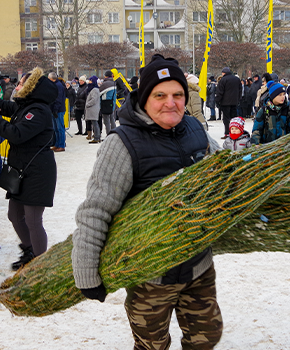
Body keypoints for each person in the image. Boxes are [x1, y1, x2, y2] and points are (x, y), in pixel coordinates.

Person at [72, 54, 223, 349]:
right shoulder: (122, 143)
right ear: (144, 98)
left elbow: (222, 171)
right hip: (150, 275)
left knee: (207, 337)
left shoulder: (194, 129)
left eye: (178, 94)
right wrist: (87, 272)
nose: (171, 103)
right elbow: (96, 210)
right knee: (151, 344)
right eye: (160, 95)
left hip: (198, 266)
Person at [0, 68, 58, 270]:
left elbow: (17, 134)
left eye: (21, 84)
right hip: (23, 170)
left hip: (38, 172)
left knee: (32, 219)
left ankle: (40, 264)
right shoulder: (25, 107)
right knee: (14, 215)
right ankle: (29, 251)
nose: (17, 86)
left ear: (31, 89)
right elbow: (1, 105)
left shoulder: (38, 111)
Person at [215, 66, 242, 138]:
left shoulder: (223, 80)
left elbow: (220, 92)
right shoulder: (237, 79)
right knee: (234, 118)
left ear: (223, 73)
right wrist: (238, 99)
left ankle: (227, 133)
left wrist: (217, 101)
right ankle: (236, 132)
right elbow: (240, 90)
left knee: (226, 119)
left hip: (225, 102)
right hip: (234, 102)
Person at [48, 72, 67, 152]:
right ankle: (57, 144)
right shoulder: (55, 85)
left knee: (60, 128)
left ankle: (61, 145)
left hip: (58, 110)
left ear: (52, 79)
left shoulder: (58, 86)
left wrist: (55, 109)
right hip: (54, 109)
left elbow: (58, 99)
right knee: (55, 128)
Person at [84, 75, 101, 143]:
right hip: (92, 109)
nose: (89, 82)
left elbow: (94, 99)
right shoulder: (93, 89)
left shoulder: (95, 90)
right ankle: (97, 136)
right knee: (94, 123)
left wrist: (87, 104)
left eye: (90, 81)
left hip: (93, 109)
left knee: (95, 123)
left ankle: (97, 137)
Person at [99, 70, 117, 135]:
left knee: (106, 121)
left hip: (105, 103)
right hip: (112, 103)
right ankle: (114, 133)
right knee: (112, 119)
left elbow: (99, 93)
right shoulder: (114, 83)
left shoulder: (105, 84)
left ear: (105, 76)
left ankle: (109, 134)